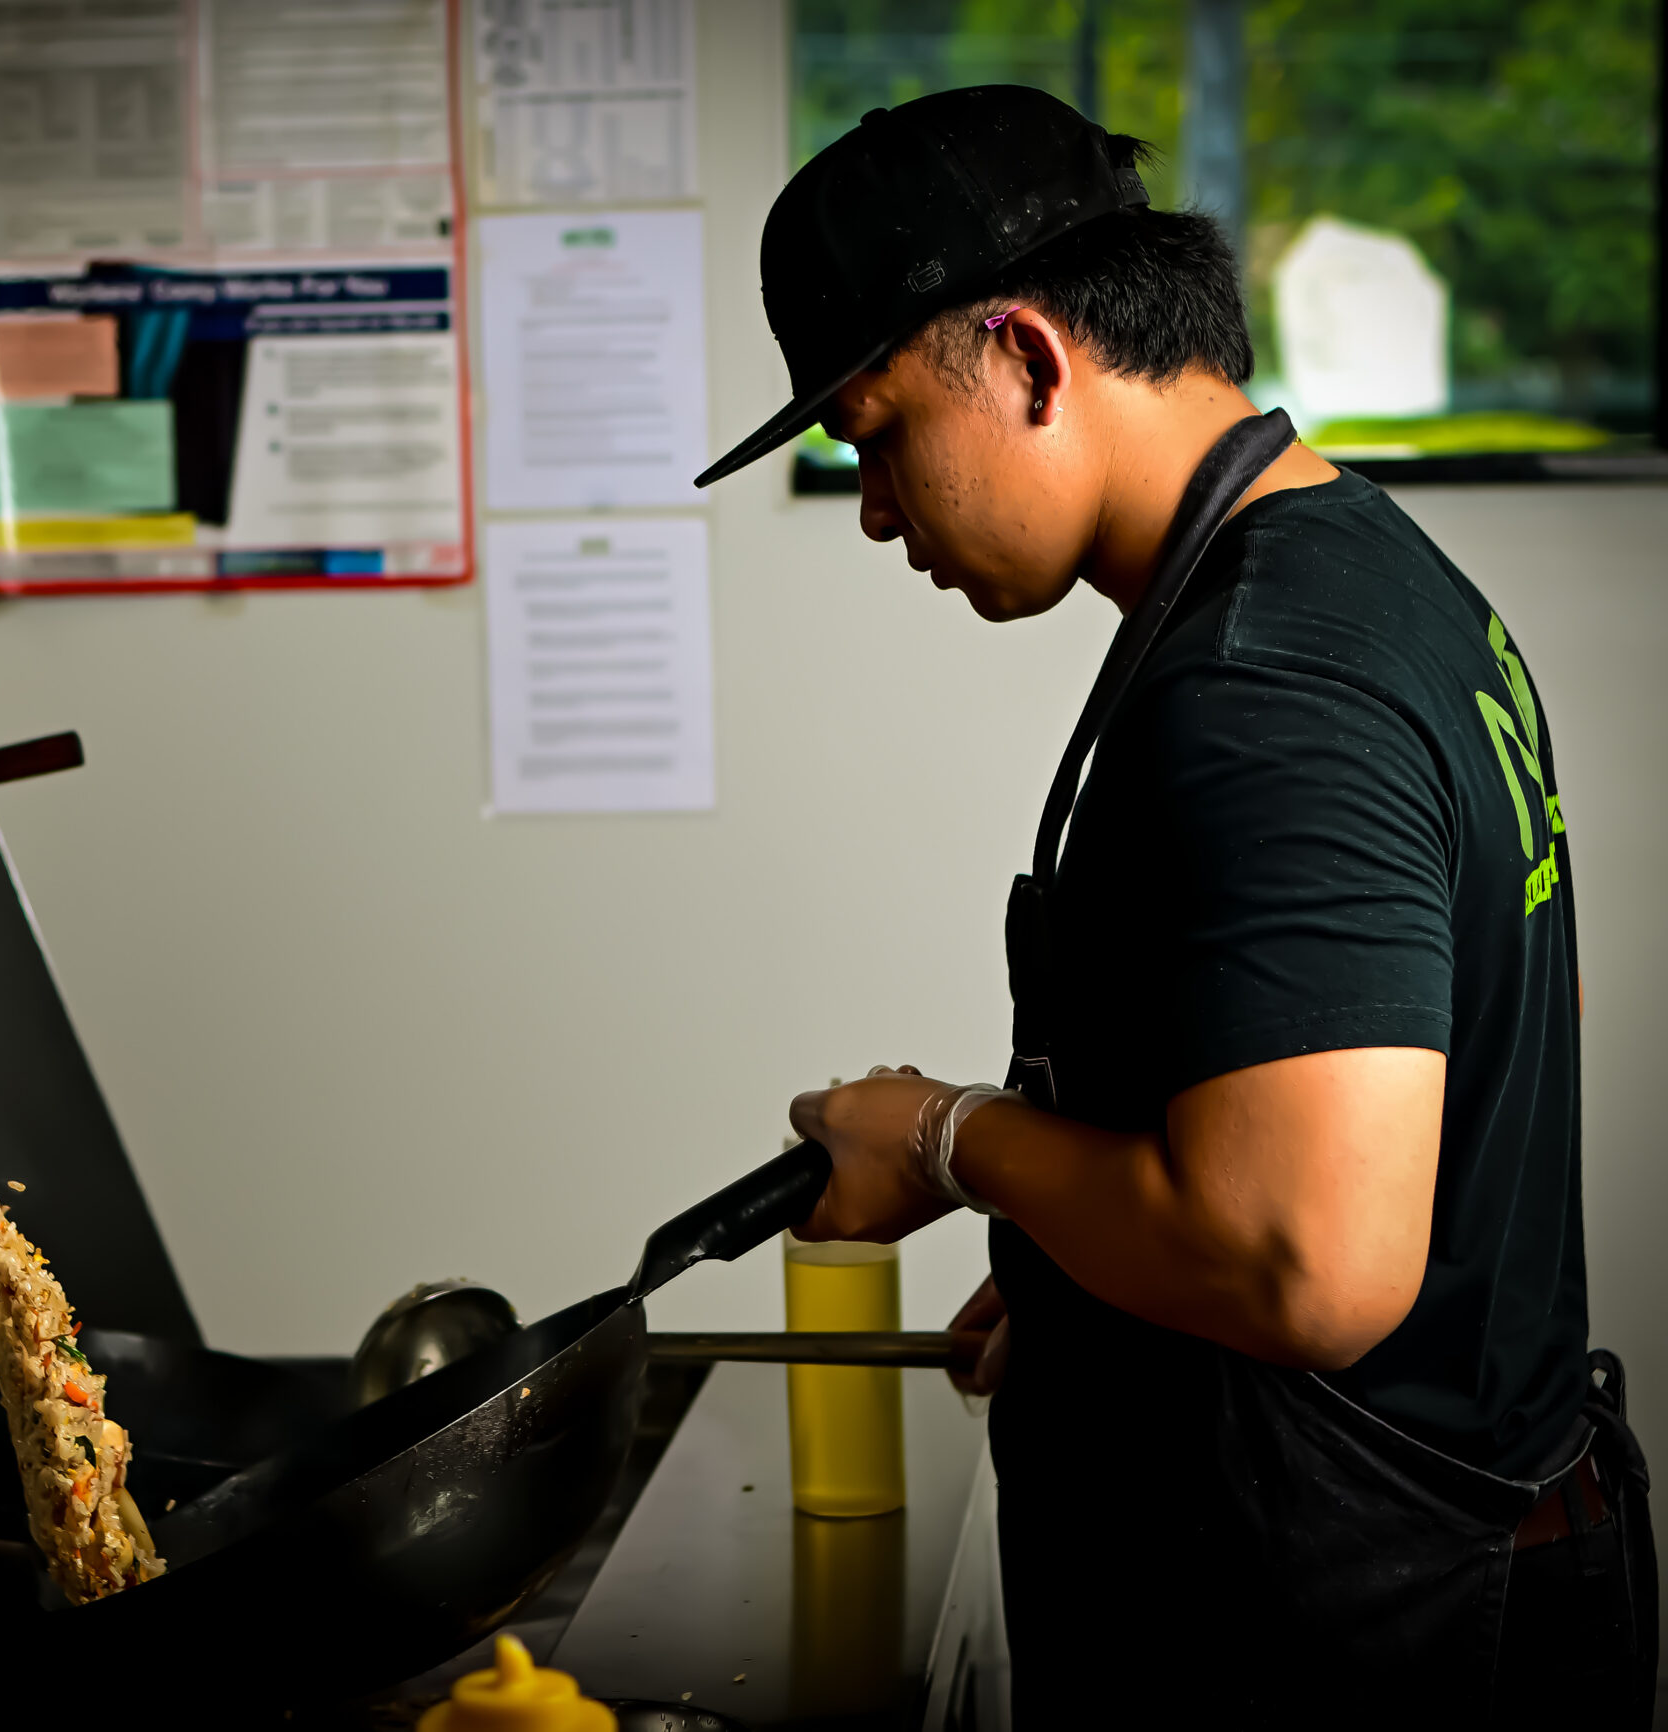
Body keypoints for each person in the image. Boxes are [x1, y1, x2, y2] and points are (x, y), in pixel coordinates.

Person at [695, 86, 1656, 1727]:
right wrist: (1098, 1278)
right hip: (1443, 1547)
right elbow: (1438, 1070)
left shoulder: (1265, 683)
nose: (873, 508)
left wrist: (947, 1140)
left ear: (1027, 356)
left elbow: (1310, 1263)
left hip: (1374, 1637)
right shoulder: (1385, 589)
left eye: (875, 434)